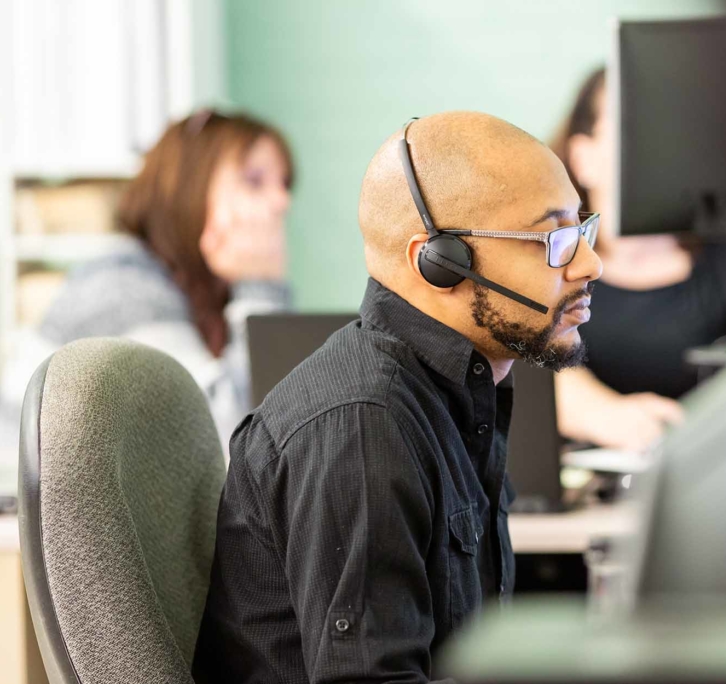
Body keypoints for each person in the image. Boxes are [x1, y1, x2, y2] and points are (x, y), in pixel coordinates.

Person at [191, 112, 603, 683]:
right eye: (553, 240)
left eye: (583, 229)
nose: (589, 263)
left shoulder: (458, 396)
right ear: (439, 264)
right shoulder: (364, 427)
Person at [549, 68, 726, 452]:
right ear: (582, 157)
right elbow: (525, 361)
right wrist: (605, 415)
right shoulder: (554, 258)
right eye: (634, 126)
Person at [0, 110, 295, 456]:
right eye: (255, 180)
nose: (281, 201)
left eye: (284, 183)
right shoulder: (123, 286)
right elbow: (227, 444)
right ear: (189, 188)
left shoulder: (207, 294)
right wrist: (260, 288)